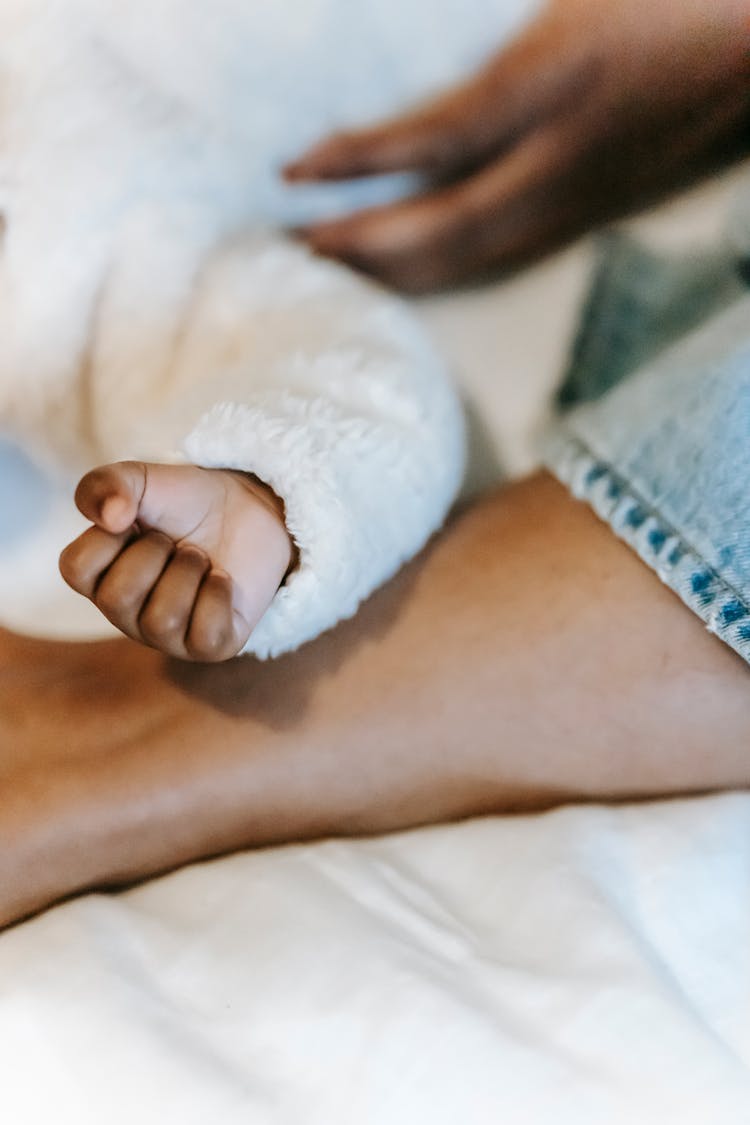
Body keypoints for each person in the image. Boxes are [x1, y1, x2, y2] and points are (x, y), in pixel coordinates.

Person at [2, 0, 749, 931]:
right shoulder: (77, 259)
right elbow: (357, 383)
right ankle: (126, 734)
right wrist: (266, 491)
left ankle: (138, 730)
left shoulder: (78, 236)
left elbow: (350, 382)